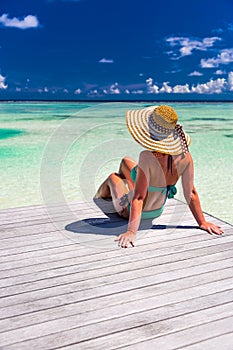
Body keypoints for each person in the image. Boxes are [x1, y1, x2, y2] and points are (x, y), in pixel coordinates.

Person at [94, 105, 223, 248]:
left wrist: (131, 231)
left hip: (130, 210)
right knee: (125, 161)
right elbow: (191, 193)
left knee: (113, 177)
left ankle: (99, 197)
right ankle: (129, 186)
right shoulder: (186, 157)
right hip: (156, 210)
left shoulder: (147, 157)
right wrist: (202, 222)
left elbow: (139, 198)